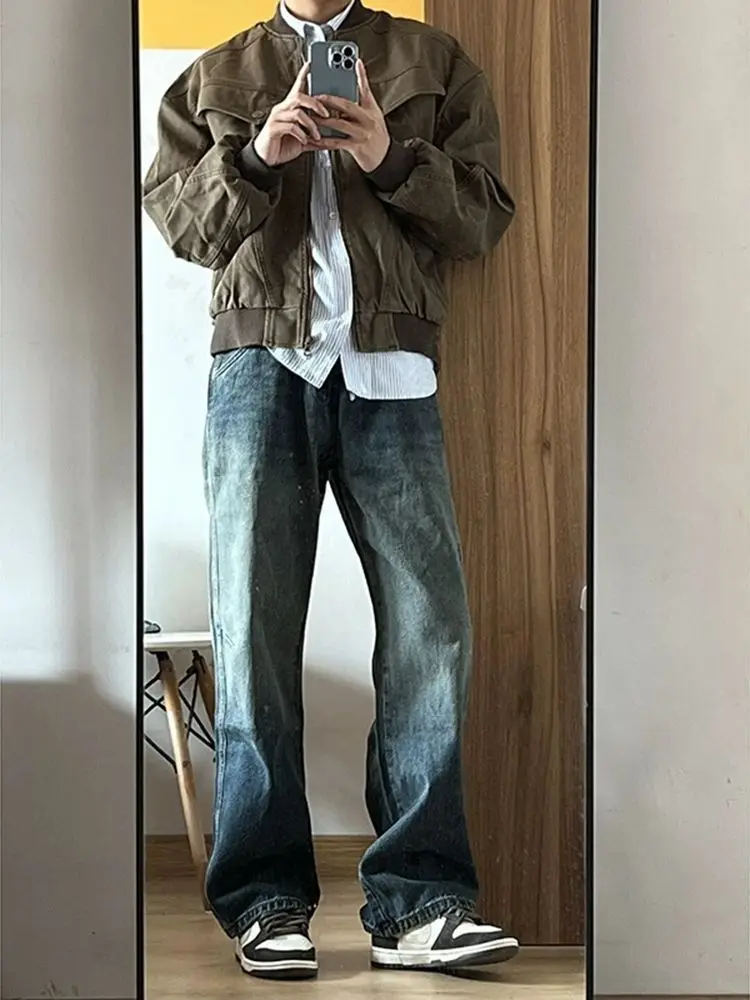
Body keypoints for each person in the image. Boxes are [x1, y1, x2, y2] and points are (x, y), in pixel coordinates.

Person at [144, 0, 516, 981]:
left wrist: (390, 157)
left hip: (394, 370)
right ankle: (264, 902)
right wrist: (256, 154)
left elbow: (483, 216)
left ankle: (420, 904)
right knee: (253, 633)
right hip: (258, 372)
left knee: (432, 633)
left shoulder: (431, 58)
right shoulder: (215, 76)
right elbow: (180, 226)